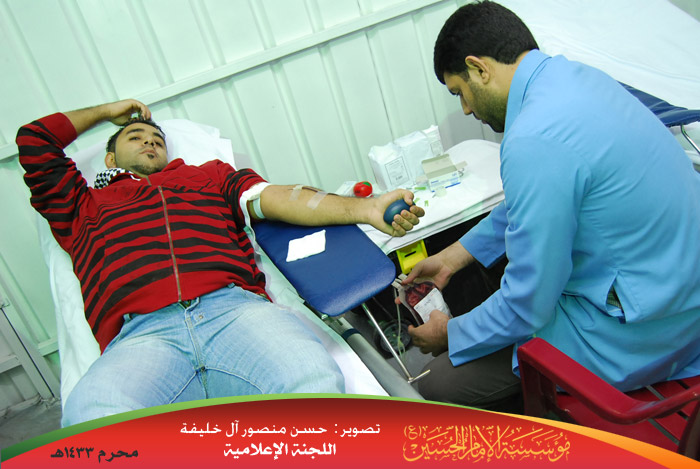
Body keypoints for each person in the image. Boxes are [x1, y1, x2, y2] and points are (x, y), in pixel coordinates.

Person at [16, 99, 424, 426]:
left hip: (234, 313)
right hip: (142, 338)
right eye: (135, 136)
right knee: (92, 424)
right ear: (109, 159)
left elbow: (275, 197)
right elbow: (35, 140)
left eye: (157, 138)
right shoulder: (80, 203)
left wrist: (365, 208)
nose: (149, 142)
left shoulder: (207, 176)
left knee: (312, 387)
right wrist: (109, 112)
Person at [403, 0, 700, 412]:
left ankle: (543, 425)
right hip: (679, 291)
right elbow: (540, 199)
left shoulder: (533, 138)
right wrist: (455, 255)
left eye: (460, 92)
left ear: (479, 68)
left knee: (436, 383)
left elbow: (528, 303)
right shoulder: (577, 79)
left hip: (647, 331)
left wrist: (451, 335)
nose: (466, 109)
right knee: (499, 287)